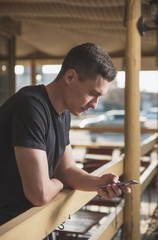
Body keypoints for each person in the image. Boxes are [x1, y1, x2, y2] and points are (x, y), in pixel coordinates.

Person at [0, 43, 131, 226]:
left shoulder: (64, 114)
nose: (94, 104)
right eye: (92, 94)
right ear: (70, 77)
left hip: (26, 224)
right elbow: (40, 194)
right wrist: (58, 183)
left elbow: (67, 170)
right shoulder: (30, 106)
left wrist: (99, 183)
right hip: (6, 226)